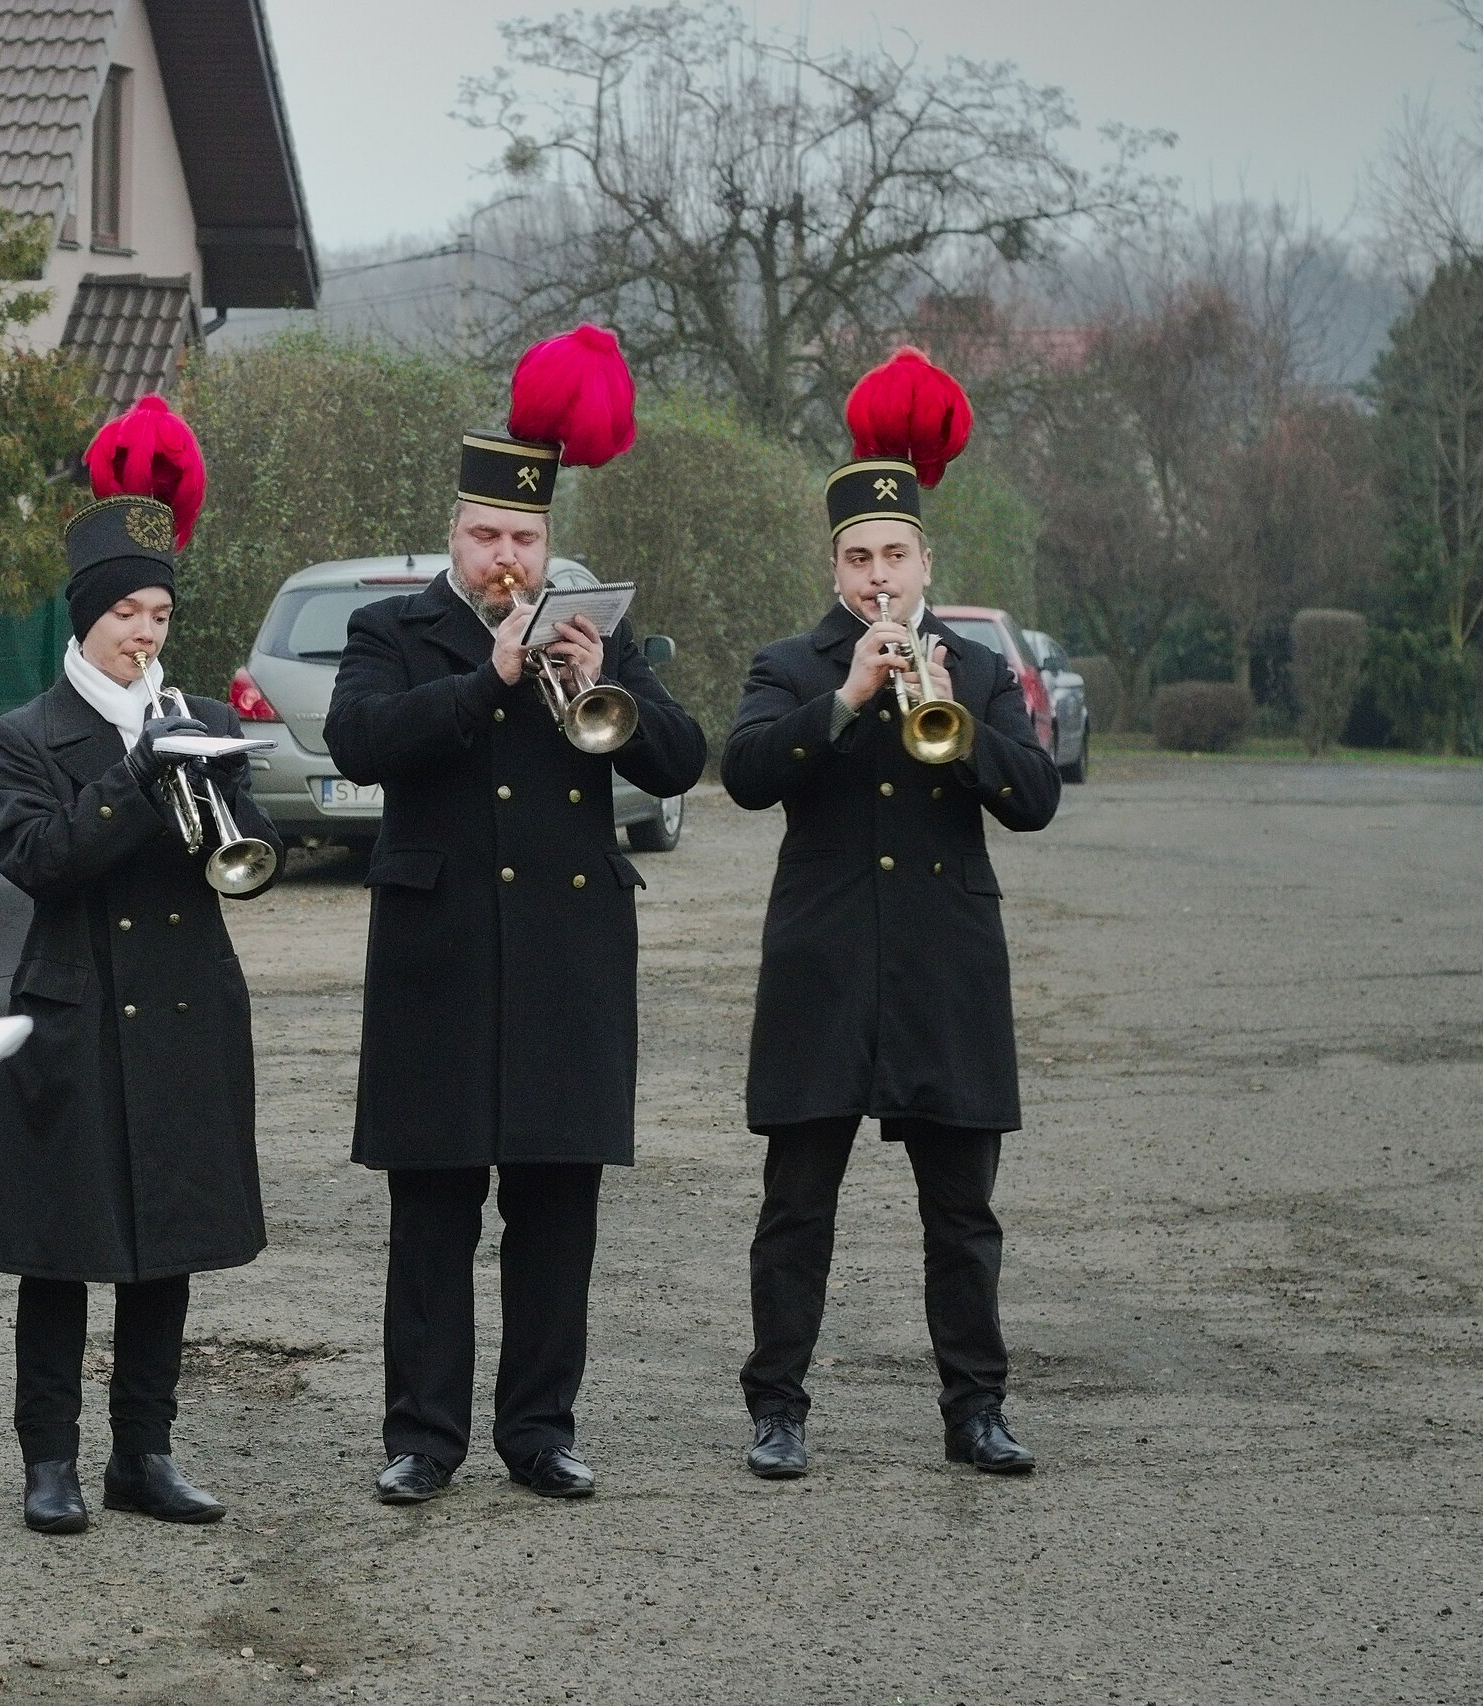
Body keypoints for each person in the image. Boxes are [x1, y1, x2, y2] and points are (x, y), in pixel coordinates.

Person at [327, 326, 708, 1505]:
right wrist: (487, 675)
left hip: (565, 956)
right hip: (437, 955)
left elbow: (679, 758)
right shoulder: (391, 630)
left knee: (556, 1210)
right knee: (432, 1210)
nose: (506, 556)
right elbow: (357, 740)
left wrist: (606, 680)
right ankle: (423, 1436)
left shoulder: (597, 629)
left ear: (549, 543)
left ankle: (539, 1430)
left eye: (524, 538)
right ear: (454, 534)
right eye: (487, 535)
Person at [721, 347, 1061, 1481]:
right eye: (859, 558)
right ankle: (777, 1409)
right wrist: (847, 697)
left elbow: (1035, 800)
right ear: (835, 565)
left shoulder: (977, 667)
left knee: (962, 1214)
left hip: (944, 962)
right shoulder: (789, 665)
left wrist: (959, 728)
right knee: (795, 1208)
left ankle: (977, 1410)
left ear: (925, 561)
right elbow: (746, 774)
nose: (879, 576)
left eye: (895, 556)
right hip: (821, 965)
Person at [0, 395, 276, 1535]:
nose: (144, 633)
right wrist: (137, 773)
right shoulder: (22, 735)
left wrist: (215, 785)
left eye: (158, 613)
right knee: (59, 1254)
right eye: (125, 614)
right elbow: (39, 860)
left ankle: (143, 1454)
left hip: (187, 1007)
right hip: (77, 1011)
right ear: (87, 617)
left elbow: (251, 855)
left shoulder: (190, 713)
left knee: (168, 1249)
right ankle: (49, 1460)